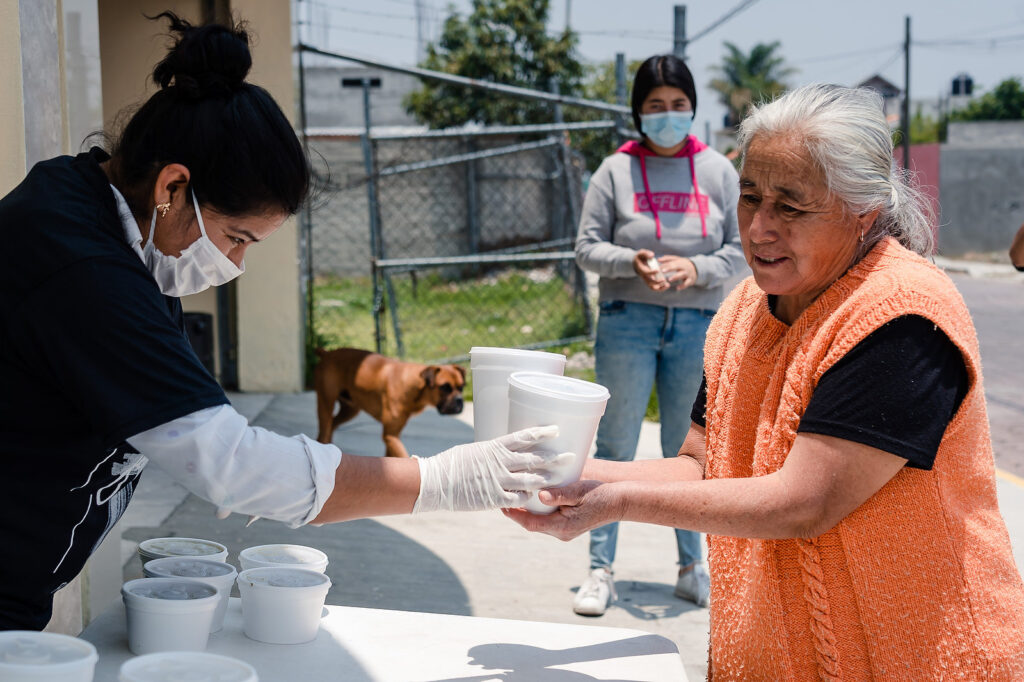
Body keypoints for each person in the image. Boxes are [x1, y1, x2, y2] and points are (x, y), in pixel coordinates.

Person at [0, 13, 565, 631]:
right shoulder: (80, 264)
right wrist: (446, 480)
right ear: (173, 185)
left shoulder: (120, 228)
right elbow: (232, 464)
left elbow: (190, 429)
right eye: (236, 237)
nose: (235, 264)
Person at [510, 84, 1024, 678]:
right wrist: (550, 468)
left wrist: (613, 501)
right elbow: (704, 465)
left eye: (791, 206)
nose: (758, 228)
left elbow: (803, 501)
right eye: (749, 197)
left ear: (863, 208)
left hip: (915, 661)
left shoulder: (903, 317)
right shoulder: (741, 313)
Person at [572, 54, 743, 616]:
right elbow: (586, 248)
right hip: (628, 321)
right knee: (614, 447)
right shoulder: (614, 171)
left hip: (697, 324)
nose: (668, 116)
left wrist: (699, 270)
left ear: (692, 107)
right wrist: (630, 260)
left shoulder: (719, 171)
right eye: (655, 107)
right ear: (637, 113)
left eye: (678, 105)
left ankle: (692, 566)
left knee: (690, 450)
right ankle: (599, 570)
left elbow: (740, 251)